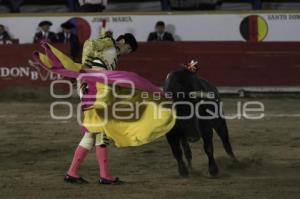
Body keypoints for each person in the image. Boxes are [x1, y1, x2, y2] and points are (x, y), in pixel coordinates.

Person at [32, 33, 175, 185]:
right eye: (128, 49)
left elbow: (91, 55)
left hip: (91, 92)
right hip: (97, 93)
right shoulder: (111, 47)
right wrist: (89, 71)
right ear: (124, 42)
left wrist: (84, 73)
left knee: (91, 135)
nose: (127, 52)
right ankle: (102, 176)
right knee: (101, 133)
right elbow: (93, 55)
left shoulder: (108, 50)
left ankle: (74, 173)